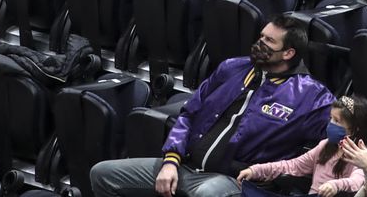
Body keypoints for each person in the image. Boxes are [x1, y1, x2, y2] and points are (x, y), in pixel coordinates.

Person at [90, 18, 334, 197]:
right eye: (261, 36)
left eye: (269, 41)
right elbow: (189, 113)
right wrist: (170, 161)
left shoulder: (311, 95)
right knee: (102, 174)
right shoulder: (232, 68)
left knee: (207, 194)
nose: (259, 43)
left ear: (288, 53)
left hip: (236, 182)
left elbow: (350, 127)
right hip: (186, 165)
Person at [237, 95, 367, 197]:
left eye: (337, 121)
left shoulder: (361, 156)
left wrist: (335, 185)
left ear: (354, 128)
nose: (331, 124)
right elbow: (292, 166)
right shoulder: (325, 145)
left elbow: (358, 181)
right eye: (331, 118)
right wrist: (256, 170)